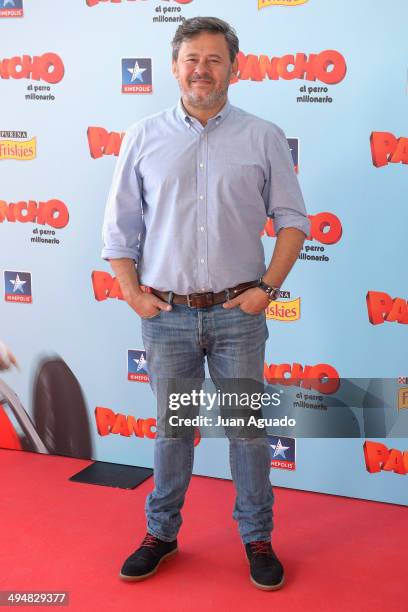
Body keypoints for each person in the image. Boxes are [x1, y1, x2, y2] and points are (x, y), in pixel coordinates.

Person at [101, 16, 310, 591]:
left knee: (245, 430)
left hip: (237, 316)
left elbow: (294, 222)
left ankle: (257, 538)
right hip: (164, 317)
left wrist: (264, 290)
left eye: (214, 59)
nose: (201, 69)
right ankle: (161, 534)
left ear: (234, 69)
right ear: (174, 67)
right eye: (191, 58)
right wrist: (134, 295)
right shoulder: (142, 137)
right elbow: (119, 233)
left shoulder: (263, 135)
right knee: (173, 430)